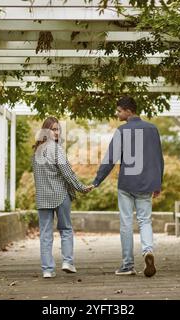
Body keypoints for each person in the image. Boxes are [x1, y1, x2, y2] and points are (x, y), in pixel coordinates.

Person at [91, 96, 164, 277]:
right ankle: (148, 251)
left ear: (128, 111)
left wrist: (97, 181)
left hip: (127, 184)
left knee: (126, 223)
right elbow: (158, 159)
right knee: (145, 220)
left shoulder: (122, 131)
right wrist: (157, 183)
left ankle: (127, 265)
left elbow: (110, 158)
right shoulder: (152, 129)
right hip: (147, 183)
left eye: (119, 111)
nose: (117, 114)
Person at [32, 116, 93, 278]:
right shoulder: (56, 149)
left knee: (45, 233)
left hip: (43, 197)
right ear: (46, 131)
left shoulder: (37, 151)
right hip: (60, 195)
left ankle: (47, 270)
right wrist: (81, 188)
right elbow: (67, 173)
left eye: (58, 129)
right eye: (53, 129)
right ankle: (67, 262)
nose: (57, 132)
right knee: (65, 229)